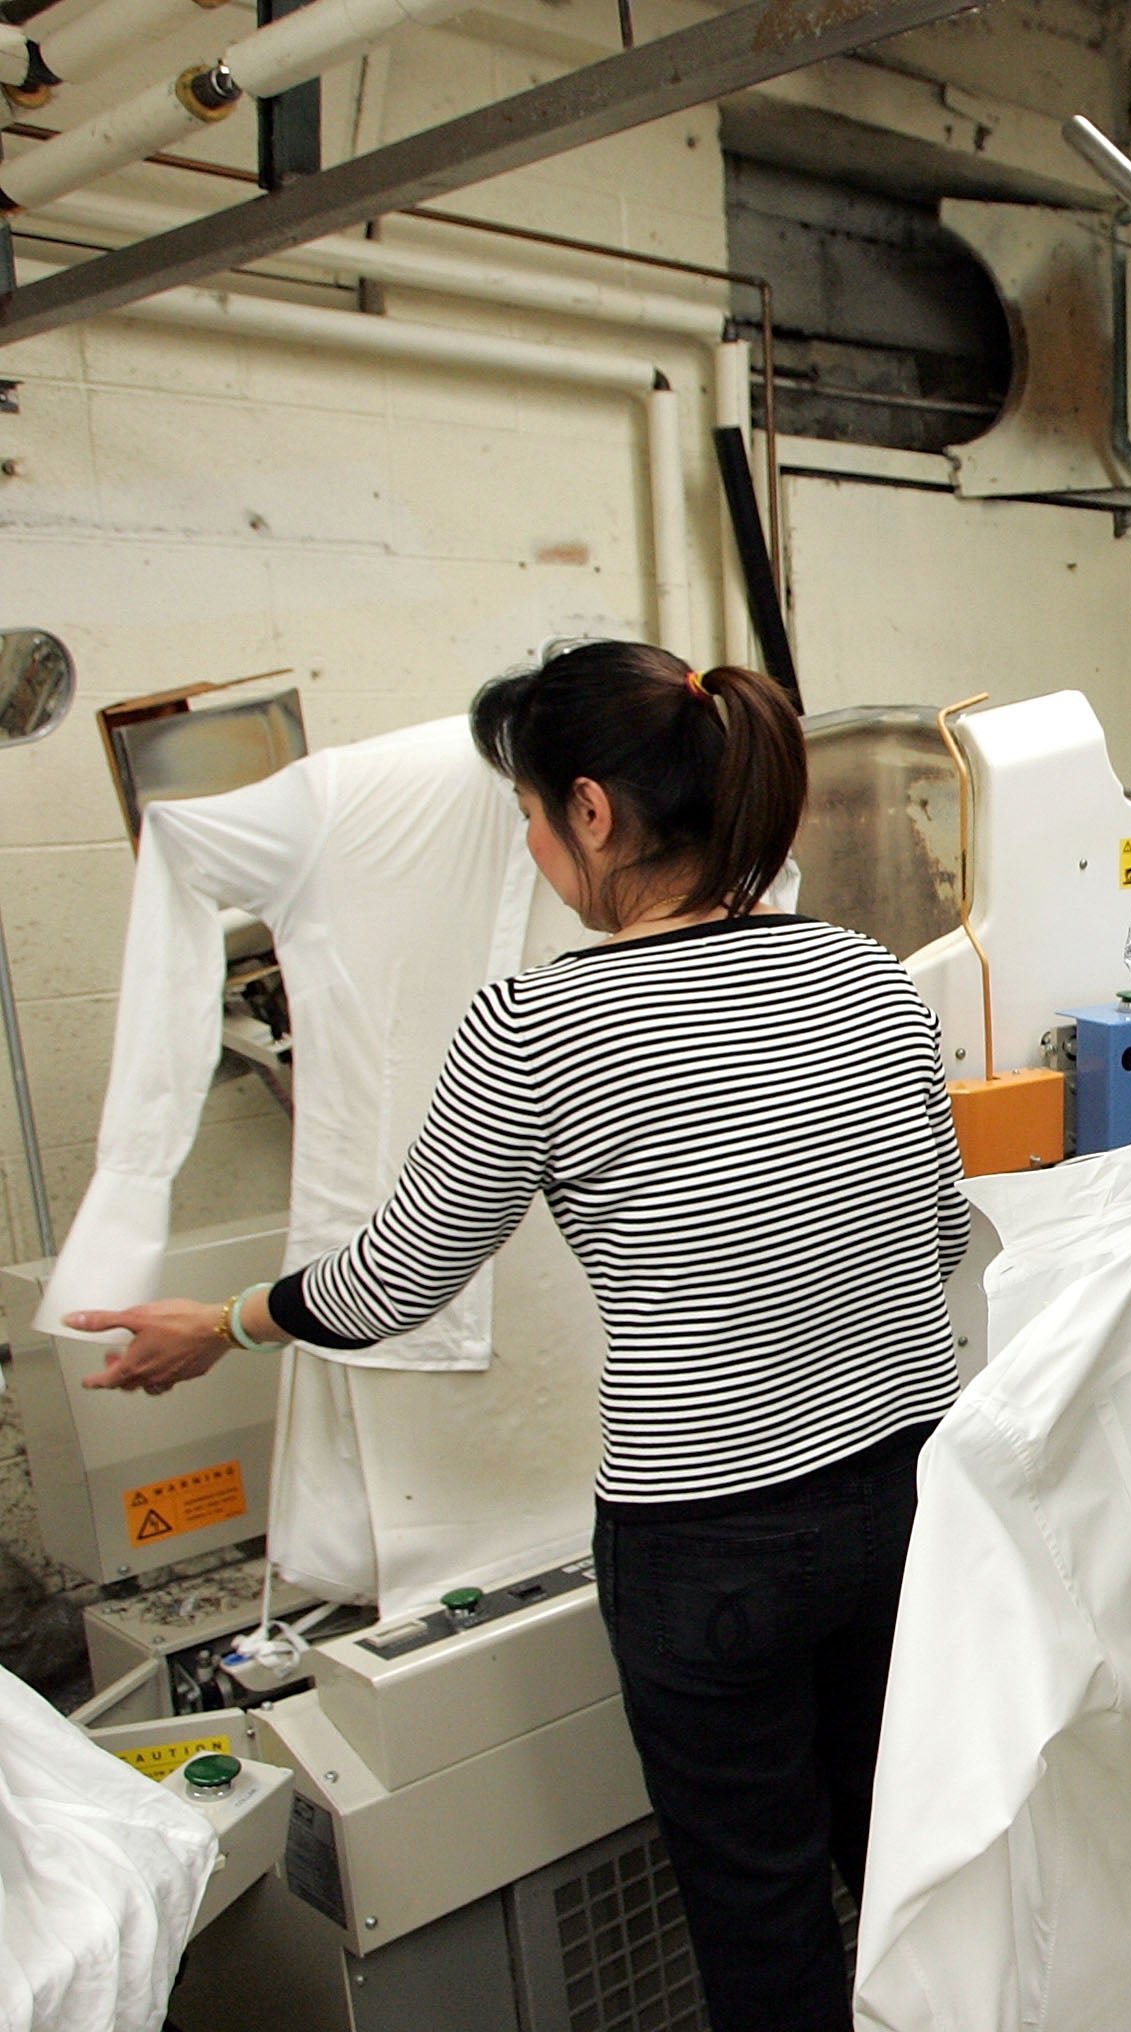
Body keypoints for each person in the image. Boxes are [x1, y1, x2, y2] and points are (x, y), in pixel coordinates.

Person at [68, 642, 969, 2032]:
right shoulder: (865, 974)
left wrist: (227, 1324)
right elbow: (924, 1224)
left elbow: (386, 1284)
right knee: (909, 1869)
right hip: (904, 1500)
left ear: (595, 814)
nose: (539, 851)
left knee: (763, 1918)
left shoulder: (540, 1020)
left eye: (537, 821)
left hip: (707, 1542)